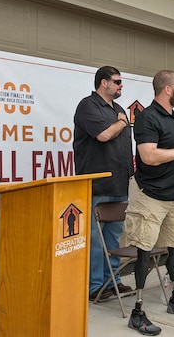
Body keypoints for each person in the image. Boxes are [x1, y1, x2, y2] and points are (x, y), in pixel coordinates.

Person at [126, 70, 174, 335]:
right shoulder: (147, 117)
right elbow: (148, 156)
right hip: (149, 195)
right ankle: (137, 311)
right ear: (167, 89)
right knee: (144, 251)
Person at [73, 66, 134, 302]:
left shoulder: (119, 109)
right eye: (117, 81)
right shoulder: (88, 105)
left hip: (119, 184)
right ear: (103, 83)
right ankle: (94, 286)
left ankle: (113, 281)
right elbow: (103, 135)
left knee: (114, 237)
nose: (121, 86)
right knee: (95, 240)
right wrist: (120, 123)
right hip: (97, 185)